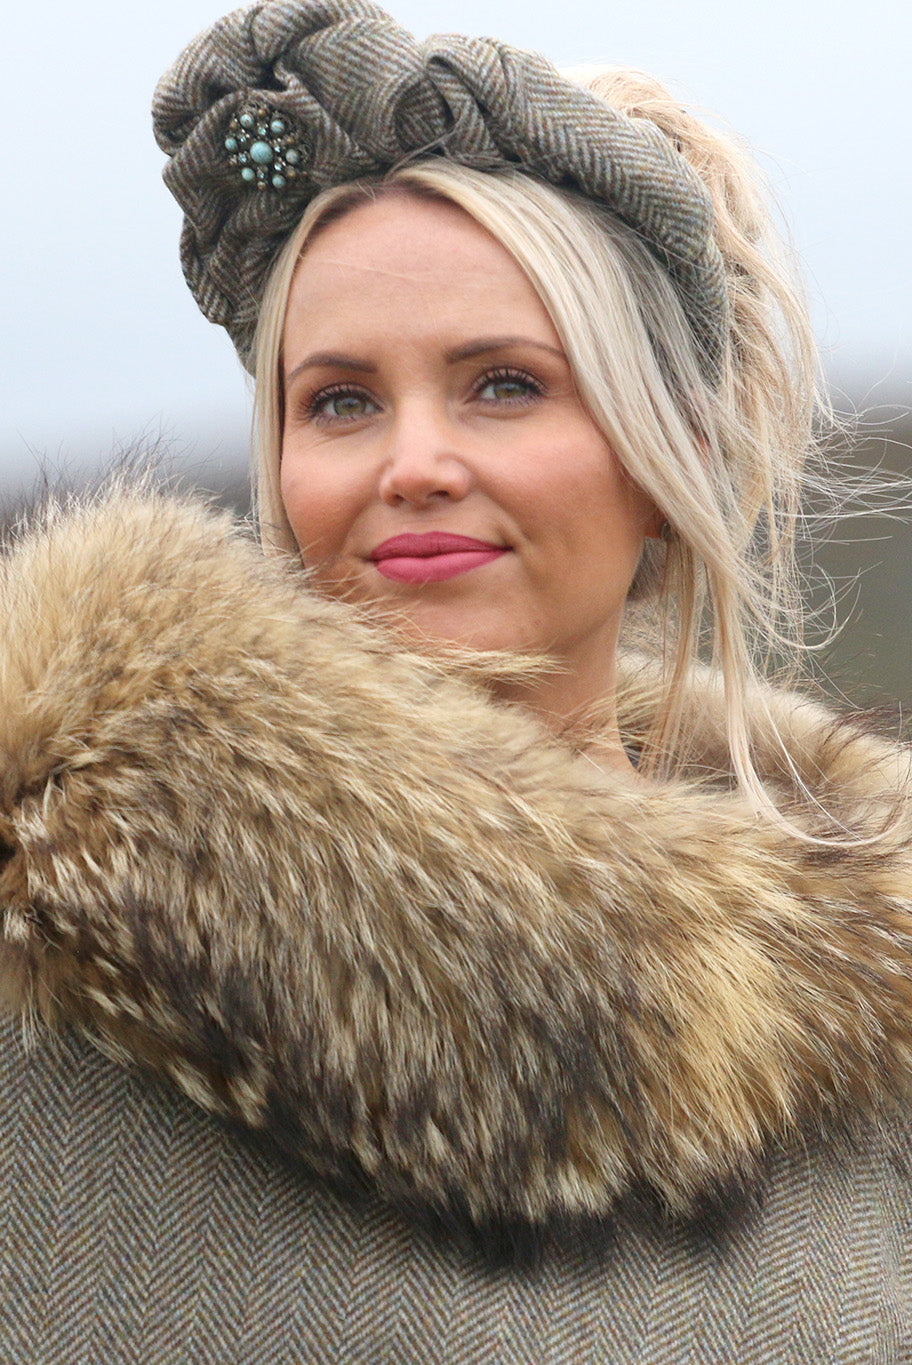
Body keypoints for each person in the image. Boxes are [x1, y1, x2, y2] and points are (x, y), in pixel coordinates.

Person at [0, 1, 910, 1360]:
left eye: (503, 384)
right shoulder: (56, 966)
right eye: (342, 400)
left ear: (668, 468)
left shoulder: (867, 1021)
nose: (412, 460)